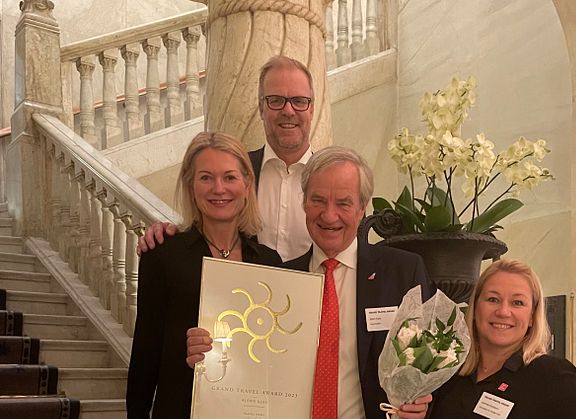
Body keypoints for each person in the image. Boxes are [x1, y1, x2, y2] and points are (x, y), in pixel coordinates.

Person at [186, 146, 436, 419]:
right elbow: (252, 362)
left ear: (362, 208)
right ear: (303, 202)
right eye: (318, 200)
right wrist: (209, 350)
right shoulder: (278, 280)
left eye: (343, 203)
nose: (329, 216)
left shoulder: (403, 273)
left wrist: (423, 405)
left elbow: (433, 361)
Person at [126, 132, 283, 419]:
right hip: (179, 408)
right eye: (206, 177)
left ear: (247, 184)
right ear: (191, 186)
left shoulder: (269, 264)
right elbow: (146, 353)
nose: (218, 188)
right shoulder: (162, 255)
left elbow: (276, 359)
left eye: (230, 177)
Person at [138, 55, 314, 261]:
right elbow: (205, 231)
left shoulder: (332, 182)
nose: (288, 111)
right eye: (275, 100)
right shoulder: (234, 174)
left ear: (311, 108)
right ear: (261, 108)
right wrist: (165, 232)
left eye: (299, 101)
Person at [427, 259, 576, 418]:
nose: (503, 312)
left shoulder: (552, 376)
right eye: (493, 299)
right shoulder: (450, 373)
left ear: (532, 316)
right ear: (475, 308)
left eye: (517, 303)